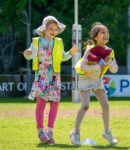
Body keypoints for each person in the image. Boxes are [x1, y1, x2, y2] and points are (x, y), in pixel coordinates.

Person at [24, 16, 78, 144]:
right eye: (50, 29)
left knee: (55, 103)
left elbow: (62, 57)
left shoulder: (58, 42)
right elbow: (30, 56)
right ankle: (40, 131)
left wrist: (70, 53)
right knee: (41, 104)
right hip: (41, 76)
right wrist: (27, 53)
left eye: (55, 29)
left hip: (55, 76)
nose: (53, 31)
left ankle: (49, 130)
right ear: (44, 29)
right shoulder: (36, 42)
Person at [70, 22, 118, 145]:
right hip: (85, 79)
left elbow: (114, 69)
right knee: (85, 105)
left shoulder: (109, 52)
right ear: (95, 37)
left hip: (97, 81)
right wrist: (97, 67)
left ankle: (107, 132)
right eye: (103, 32)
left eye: (107, 32)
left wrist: (110, 62)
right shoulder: (90, 50)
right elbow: (83, 66)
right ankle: (75, 132)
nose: (106, 34)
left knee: (106, 105)